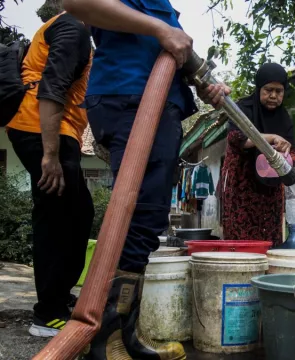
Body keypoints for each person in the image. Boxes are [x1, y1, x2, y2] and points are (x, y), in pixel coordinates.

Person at [63, 0, 230, 358]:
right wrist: (160, 29)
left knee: (148, 218)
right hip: (131, 97)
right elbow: (78, 3)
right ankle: (104, 338)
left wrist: (205, 85)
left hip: (155, 102)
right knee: (138, 216)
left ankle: (124, 333)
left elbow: (174, 50)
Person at [5, 9, 93, 338]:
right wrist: (50, 154)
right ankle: (47, 314)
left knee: (73, 213)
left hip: (48, 132)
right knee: (62, 218)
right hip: (40, 132)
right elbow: (51, 87)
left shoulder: (67, 27)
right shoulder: (73, 27)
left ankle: (56, 297)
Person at [220, 62, 295, 245]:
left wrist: (294, 167)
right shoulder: (243, 108)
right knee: (241, 238)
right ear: (259, 88)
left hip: (270, 190)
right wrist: (271, 138)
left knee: (269, 238)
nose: (273, 95)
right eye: (268, 90)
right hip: (242, 186)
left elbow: (292, 150)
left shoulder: (284, 117)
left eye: (279, 91)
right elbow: (236, 138)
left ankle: (266, 272)